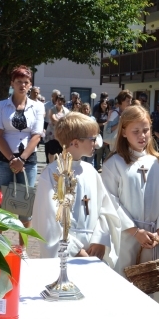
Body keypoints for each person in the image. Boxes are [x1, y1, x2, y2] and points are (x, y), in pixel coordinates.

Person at [101, 105, 159, 307]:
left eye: (145, 130)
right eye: (135, 131)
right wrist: (135, 231)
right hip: (126, 238)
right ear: (124, 132)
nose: (142, 136)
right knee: (125, 295)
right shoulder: (114, 164)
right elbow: (109, 202)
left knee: (154, 299)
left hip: (154, 239)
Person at [31, 112, 125, 265]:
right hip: (66, 253)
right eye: (92, 139)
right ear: (75, 143)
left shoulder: (91, 172)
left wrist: (100, 239)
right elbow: (48, 221)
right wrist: (75, 250)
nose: (96, 143)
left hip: (93, 250)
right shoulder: (51, 174)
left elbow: (105, 210)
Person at [0, 66, 44, 218]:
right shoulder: (1, 106)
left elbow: (37, 135)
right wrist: (12, 159)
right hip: (4, 160)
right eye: (19, 81)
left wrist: (21, 159)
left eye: (26, 82)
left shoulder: (38, 107)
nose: (22, 85)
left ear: (30, 85)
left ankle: (22, 243)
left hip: (27, 160)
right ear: (12, 83)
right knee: (1, 209)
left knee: (25, 210)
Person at [44, 95, 69, 163]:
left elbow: (68, 121)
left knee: (61, 151)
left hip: (62, 135)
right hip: (52, 134)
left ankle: (60, 165)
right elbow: (53, 119)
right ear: (56, 101)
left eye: (61, 100)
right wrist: (62, 122)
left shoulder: (66, 111)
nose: (60, 102)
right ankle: (50, 164)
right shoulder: (52, 109)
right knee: (52, 150)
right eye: (58, 100)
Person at [93, 97, 110, 171]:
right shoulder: (97, 113)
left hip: (107, 133)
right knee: (99, 151)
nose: (104, 105)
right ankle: (99, 167)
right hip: (100, 133)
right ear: (100, 105)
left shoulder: (109, 112)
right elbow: (95, 124)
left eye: (105, 104)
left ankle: (106, 166)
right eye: (102, 104)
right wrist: (103, 124)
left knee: (107, 151)